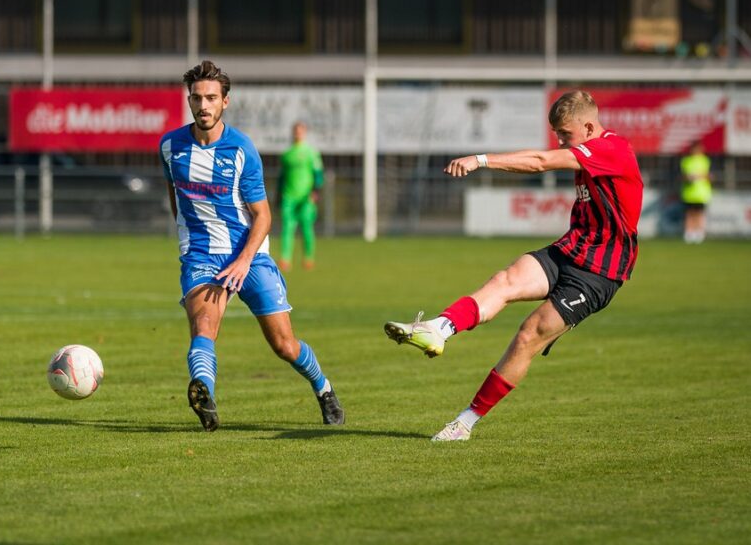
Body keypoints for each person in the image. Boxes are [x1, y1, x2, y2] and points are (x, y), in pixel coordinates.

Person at [385, 90, 643, 441]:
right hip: (570, 250)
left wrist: (480, 160)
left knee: (528, 335)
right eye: (557, 135)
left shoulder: (614, 150)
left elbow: (539, 162)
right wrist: (486, 159)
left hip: (598, 273)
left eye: (565, 134)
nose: (560, 141)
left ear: (587, 127)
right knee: (504, 280)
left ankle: (464, 423)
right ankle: (439, 329)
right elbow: (538, 156)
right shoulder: (585, 148)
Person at [160, 61, 344, 431]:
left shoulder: (241, 149)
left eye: (211, 98)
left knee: (284, 345)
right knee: (204, 325)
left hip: (250, 255)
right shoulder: (170, 146)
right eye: (196, 98)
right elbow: (175, 198)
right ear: (189, 100)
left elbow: (263, 216)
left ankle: (323, 389)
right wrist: (189, 241)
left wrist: (244, 260)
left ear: (225, 101)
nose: (203, 105)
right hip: (201, 255)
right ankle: (205, 398)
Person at [277, 121, 324, 271]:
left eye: (300, 131)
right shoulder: (287, 154)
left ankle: (308, 258)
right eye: (296, 131)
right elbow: (282, 177)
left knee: (306, 228)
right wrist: (278, 195)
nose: (298, 134)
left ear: (305, 133)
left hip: (305, 197)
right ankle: (285, 259)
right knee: (287, 228)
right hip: (289, 197)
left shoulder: (311, 153)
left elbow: (318, 173)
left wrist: (315, 191)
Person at [680, 140, 711, 244]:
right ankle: (689, 233)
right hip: (689, 193)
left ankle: (699, 233)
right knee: (689, 213)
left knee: (699, 214)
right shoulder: (686, 161)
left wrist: (701, 176)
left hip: (701, 193)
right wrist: (689, 178)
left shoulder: (705, 160)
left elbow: (709, 175)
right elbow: (683, 175)